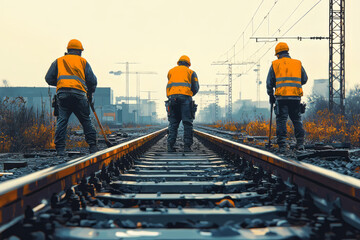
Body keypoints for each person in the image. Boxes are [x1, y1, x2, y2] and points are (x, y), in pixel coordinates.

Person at [45, 39, 98, 156]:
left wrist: (61, 83)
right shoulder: (83, 62)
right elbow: (92, 80)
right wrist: (90, 92)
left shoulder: (58, 61)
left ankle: (60, 149)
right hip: (79, 95)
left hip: (63, 95)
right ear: (79, 51)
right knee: (85, 120)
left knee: (62, 120)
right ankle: (93, 146)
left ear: (68, 50)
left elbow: (48, 78)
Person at [266, 42, 308, 152]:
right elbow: (304, 79)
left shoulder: (275, 64)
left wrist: (271, 94)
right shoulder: (297, 63)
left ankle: (282, 146)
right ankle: (300, 144)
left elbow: (269, 82)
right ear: (287, 52)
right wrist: (294, 86)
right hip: (295, 97)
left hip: (281, 97)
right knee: (297, 120)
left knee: (281, 121)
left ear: (278, 54)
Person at [166, 55, 199, 152]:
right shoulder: (191, 72)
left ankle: (170, 146)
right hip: (185, 99)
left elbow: (169, 84)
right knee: (187, 123)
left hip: (172, 99)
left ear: (178, 62)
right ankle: (187, 147)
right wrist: (189, 95)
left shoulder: (171, 71)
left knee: (173, 123)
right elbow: (196, 87)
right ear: (188, 64)